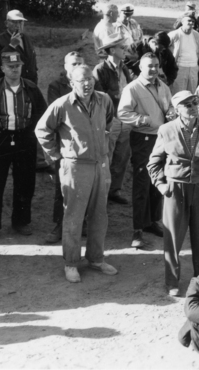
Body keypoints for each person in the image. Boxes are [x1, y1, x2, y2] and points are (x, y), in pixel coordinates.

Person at [35, 65, 117, 283]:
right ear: (72, 83)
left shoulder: (104, 100)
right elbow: (42, 130)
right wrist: (56, 156)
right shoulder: (62, 105)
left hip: (100, 165)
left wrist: (104, 148)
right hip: (75, 167)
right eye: (82, 80)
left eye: (90, 79)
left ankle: (96, 259)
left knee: (100, 214)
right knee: (74, 216)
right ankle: (71, 263)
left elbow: (109, 121)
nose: (88, 83)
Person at [147, 90, 199, 296]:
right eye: (187, 105)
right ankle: (172, 281)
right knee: (173, 237)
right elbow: (154, 162)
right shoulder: (166, 130)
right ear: (177, 109)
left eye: (195, 103)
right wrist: (161, 185)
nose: (193, 107)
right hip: (175, 188)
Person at [0, 47, 47, 241]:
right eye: (10, 66)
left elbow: (43, 113)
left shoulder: (31, 88)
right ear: (2, 68)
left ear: (22, 67)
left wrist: (33, 133)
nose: (14, 70)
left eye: (17, 66)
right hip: (1, 139)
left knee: (25, 181)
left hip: (25, 139)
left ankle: (21, 221)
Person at [118, 53, 176, 249]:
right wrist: (143, 120)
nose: (153, 69)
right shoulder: (132, 88)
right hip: (143, 139)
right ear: (141, 68)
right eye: (149, 66)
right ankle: (138, 230)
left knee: (159, 180)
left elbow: (170, 107)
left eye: (156, 65)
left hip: (162, 138)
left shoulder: (164, 87)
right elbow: (123, 112)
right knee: (142, 183)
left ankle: (152, 222)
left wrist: (170, 113)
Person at [44, 51, 86, 244]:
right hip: (64, 144)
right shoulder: (56, 87)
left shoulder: (90, 83)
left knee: (85, 186)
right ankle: (59, 226)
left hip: (86, 145)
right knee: (62, 187)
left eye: (80, 63)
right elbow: (54, 116)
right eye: (73, 64)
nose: (77, 66)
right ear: (65, 66)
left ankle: (82, 224)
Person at [93, 35, 134, 207]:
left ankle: (114, 190)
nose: (125, 50)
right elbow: (98, 95)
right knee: (106, 156)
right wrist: (116, 96)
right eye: (122, 48)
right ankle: (101, 191)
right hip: (111, 119)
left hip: (125, 118)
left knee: (122, 156)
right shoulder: (100, 69)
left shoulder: (124, 68)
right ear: (111, 50)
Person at [0, 9, 39, 84]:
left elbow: (32, 61)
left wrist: (34, 81)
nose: (18, 25)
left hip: (30, 84)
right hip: (9, 84)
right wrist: (11, 46)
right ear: (6, 24)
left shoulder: (26, 38)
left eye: (20, 22)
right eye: (14, 22)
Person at [169, 12, 199, 94]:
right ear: (182, 21)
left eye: (193, 22)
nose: (191, 23)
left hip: (193, 69)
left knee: (191, 95)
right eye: (189, 21)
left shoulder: (197, 35)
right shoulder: (174, 35)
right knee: (178, 94)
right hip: (179, 69)